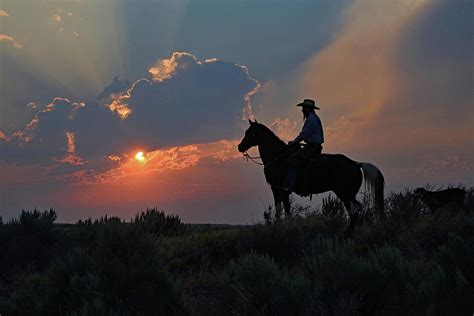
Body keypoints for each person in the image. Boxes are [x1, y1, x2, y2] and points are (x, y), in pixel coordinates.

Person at [286, 99, 324, 193]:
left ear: (308, 109)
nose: (302, 110)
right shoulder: (314, 118)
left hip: (312, 148)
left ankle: (291, 187)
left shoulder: (311, 119)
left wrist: (294, 142)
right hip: (313, 146)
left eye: (304, 108)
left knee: (291, 161)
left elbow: (304, 135)